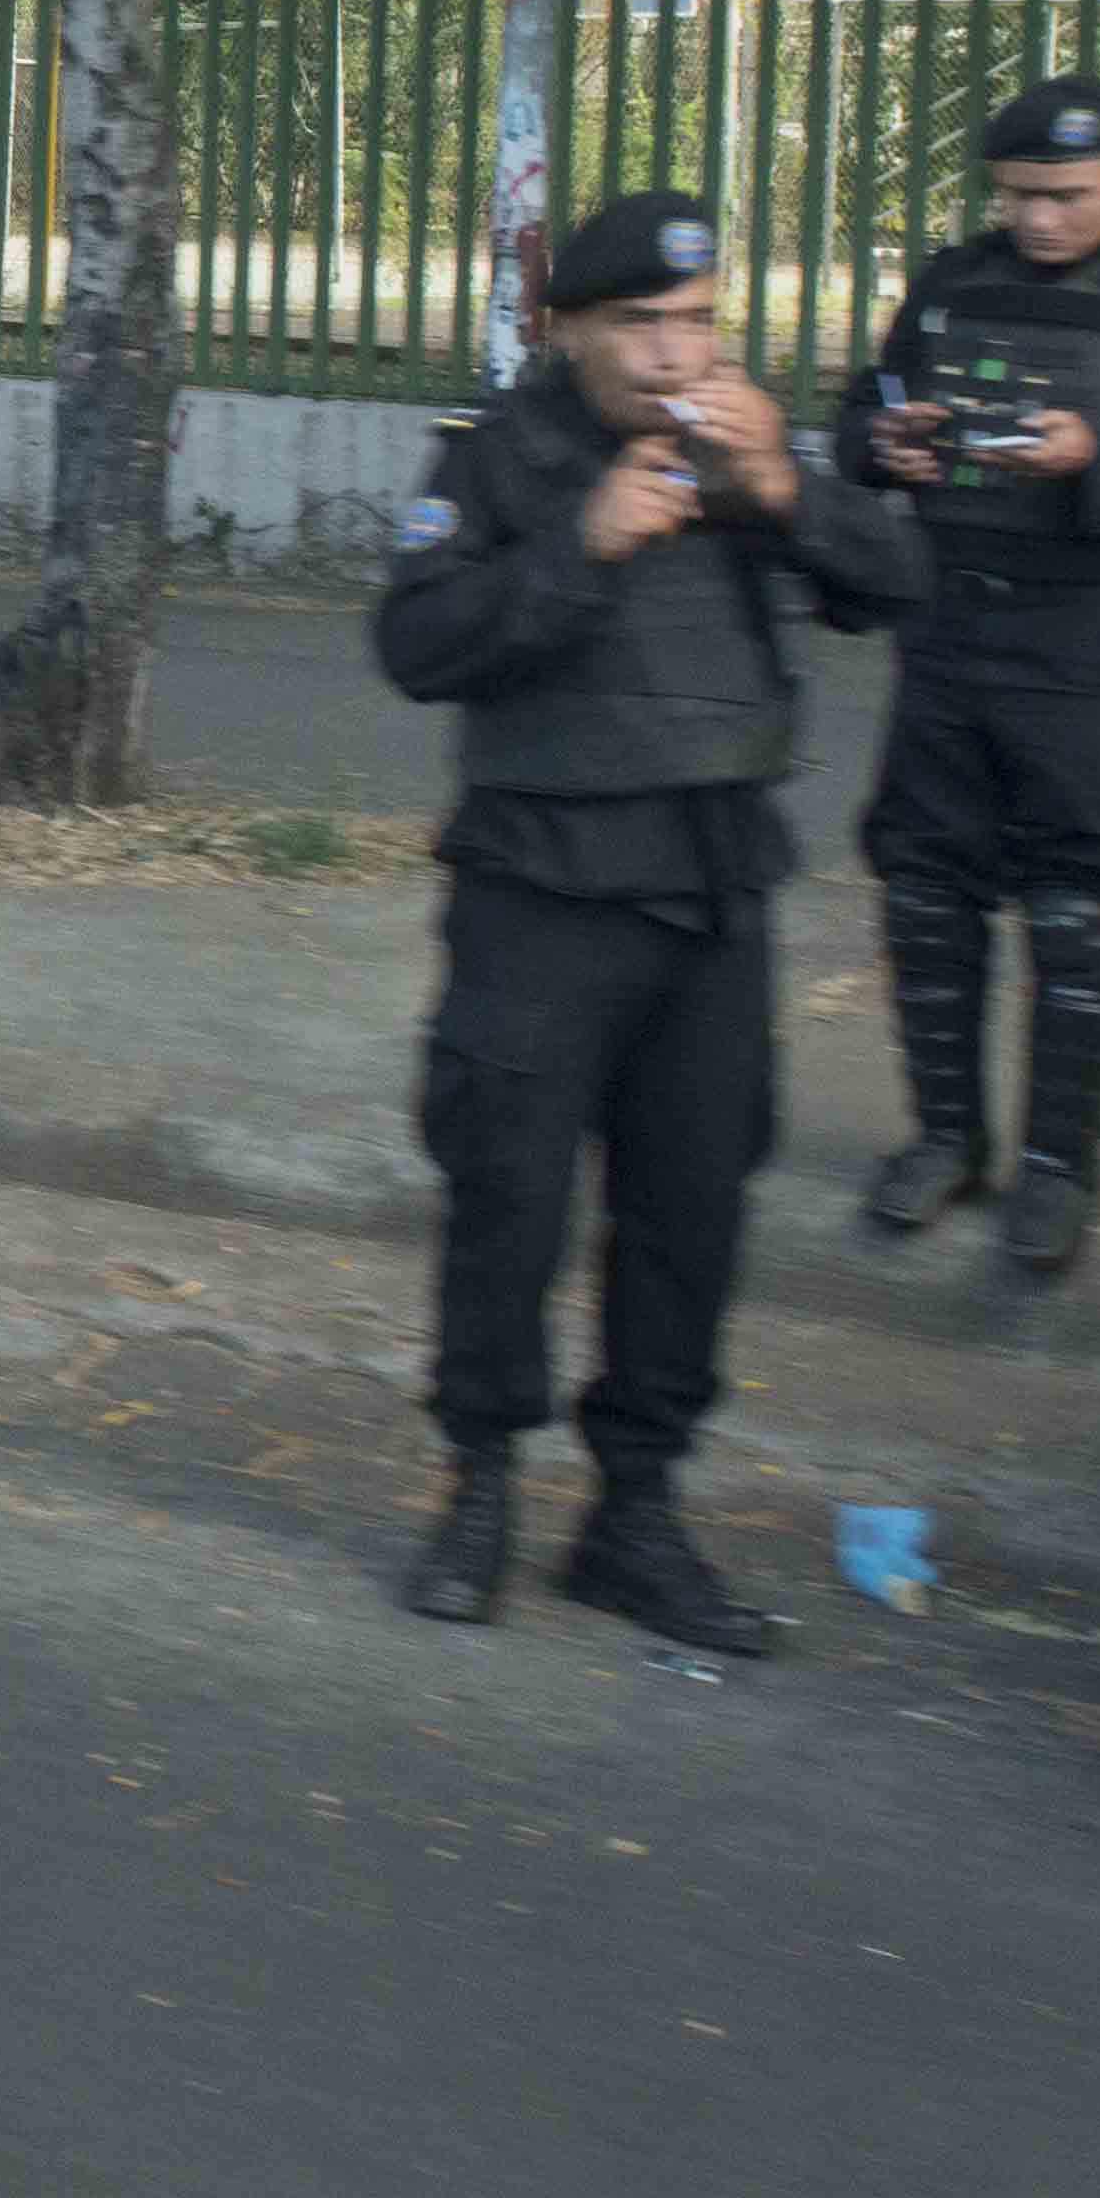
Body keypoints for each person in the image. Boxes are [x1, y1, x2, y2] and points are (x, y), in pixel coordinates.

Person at [374, 193, 921, 1653]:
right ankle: (479, 1484)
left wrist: (791, 490)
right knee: (510, 1202)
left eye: (696, 320)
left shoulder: (743, 445)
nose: (674, 350)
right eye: (640, 325)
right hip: (542, 893)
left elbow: (894, 581)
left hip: (712, 894)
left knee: (690, 1217)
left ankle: (635, 1514)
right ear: (569, 330)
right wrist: (583, 542)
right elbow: (415, 646)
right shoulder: (494, 461)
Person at [838, 76, 1100, 1275]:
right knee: (925, 892)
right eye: (1019, 194)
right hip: (944, 626)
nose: (1038, 218)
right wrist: (880, 441)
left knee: (1074, 911)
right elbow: (858, 413)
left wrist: (1099, 461)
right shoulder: (948, 282)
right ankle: (944, 1138)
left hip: (1077, 642)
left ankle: (1058, 1166)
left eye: (1066, 195)